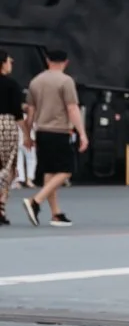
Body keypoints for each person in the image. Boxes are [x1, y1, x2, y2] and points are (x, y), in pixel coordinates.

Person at [23, 49, 84, 226]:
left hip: (41, 131)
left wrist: (27, 136)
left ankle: (55, 213)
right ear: (66, 62)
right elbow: (72, 108)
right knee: (66, 169)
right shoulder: (66, 81)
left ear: (47, 60)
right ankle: (35, 201)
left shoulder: (35, 81)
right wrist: (82, 133)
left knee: (50, 172)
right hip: (59, 131)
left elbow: (30, 113)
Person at [0, 53, 20, 227]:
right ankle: (1, 207)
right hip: (5, 124)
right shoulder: (11, 85)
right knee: (7, 167)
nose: (11, 63)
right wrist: (27, 133)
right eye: (9, 60)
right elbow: (18, 113)